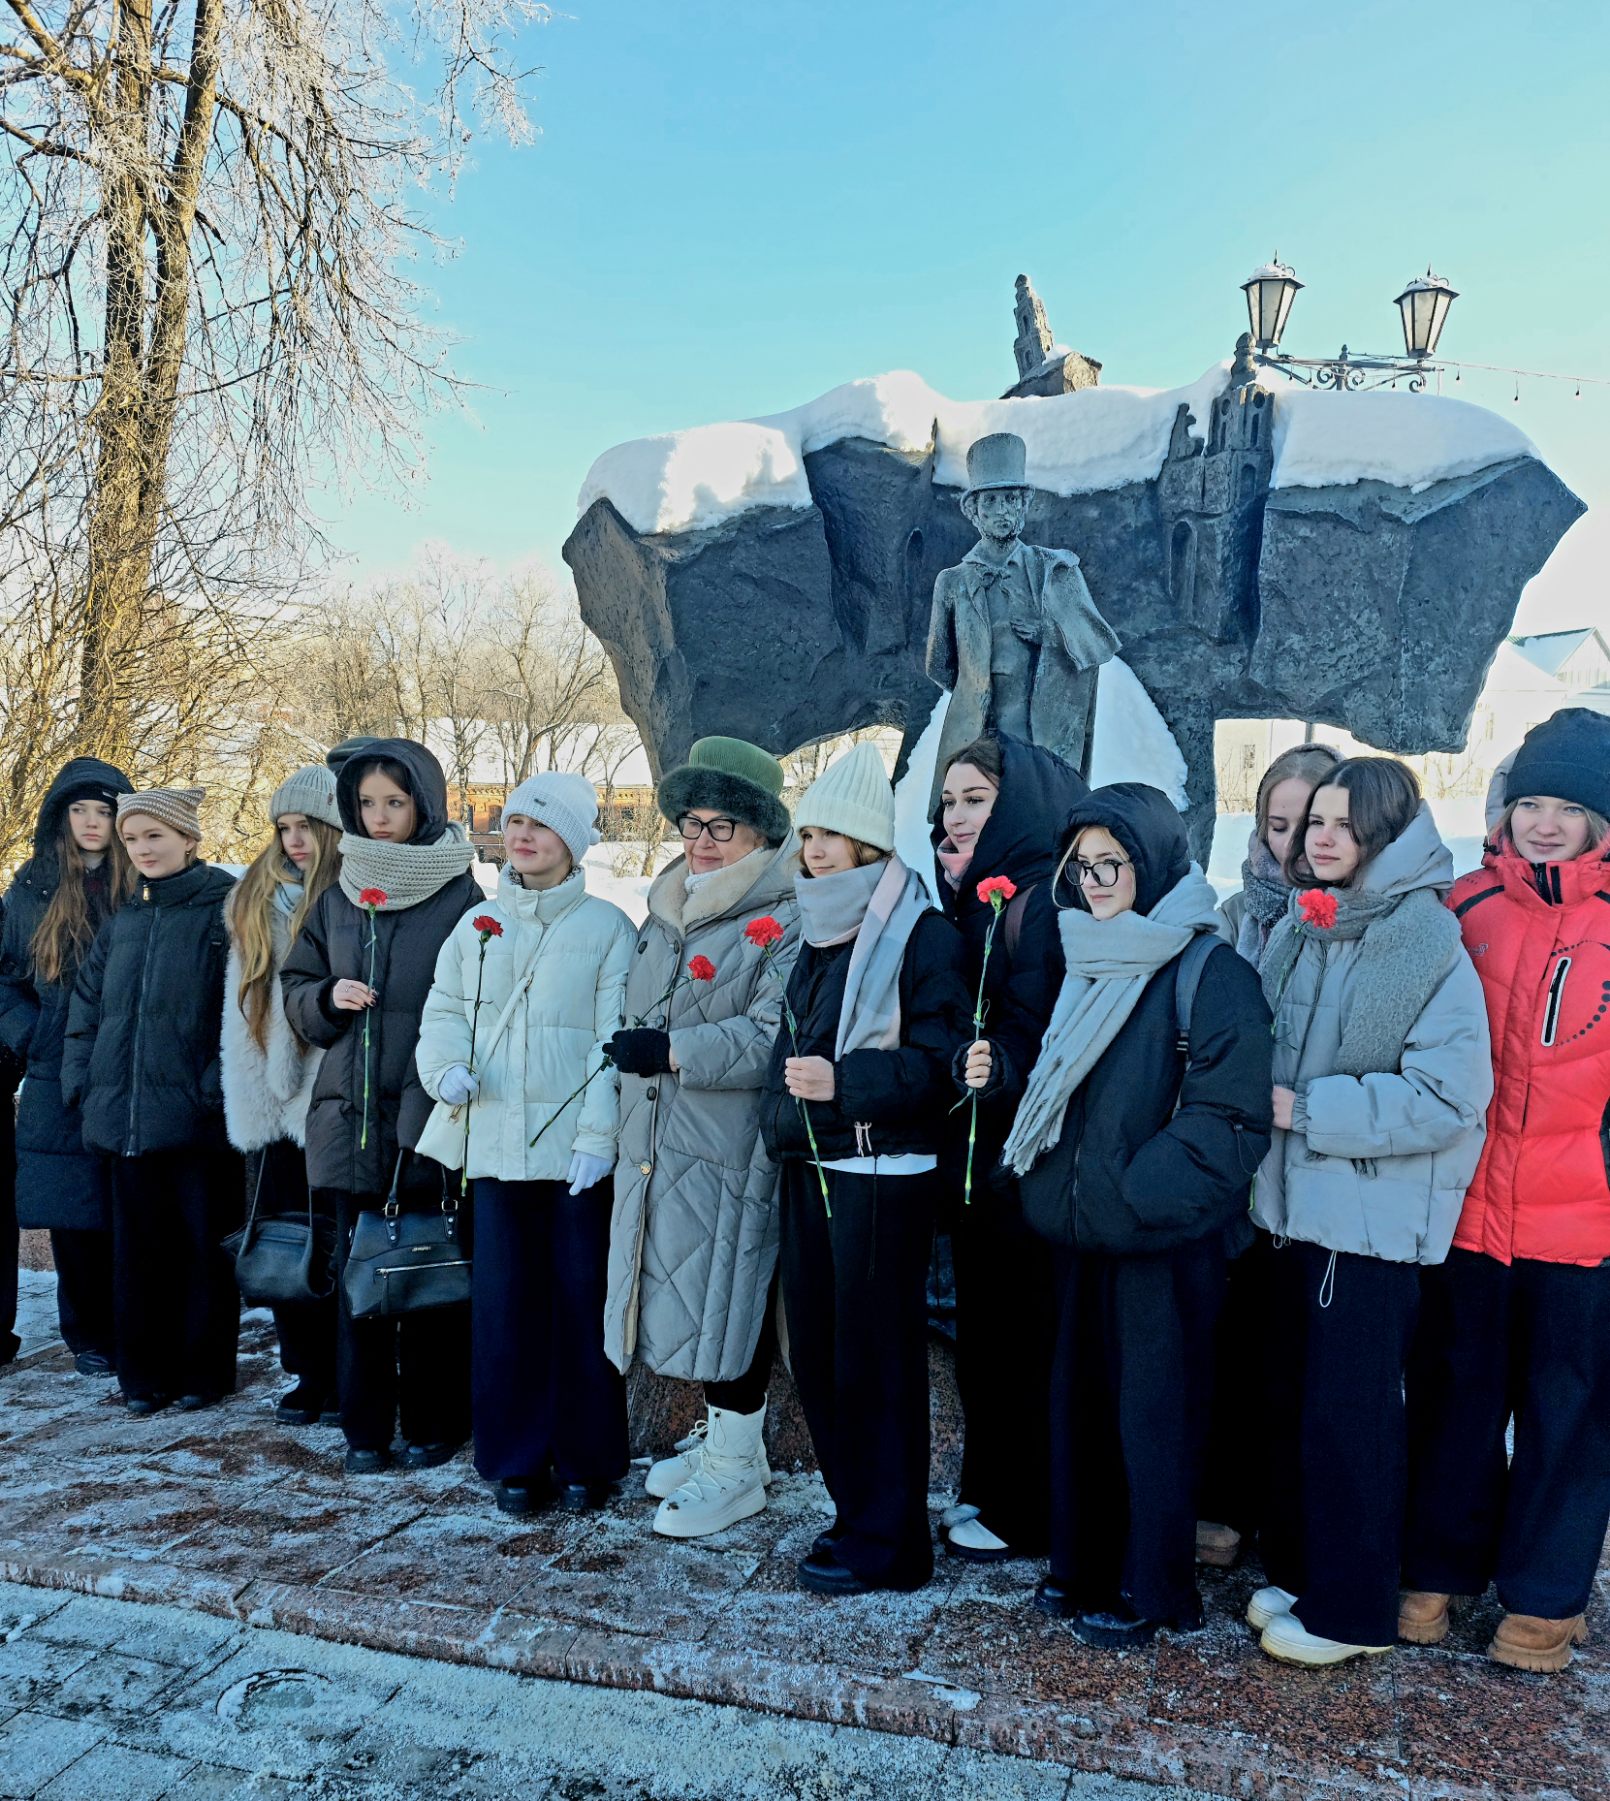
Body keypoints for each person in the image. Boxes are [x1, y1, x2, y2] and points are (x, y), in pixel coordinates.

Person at [975, 783, 1272, 1647]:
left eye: (1114, 863)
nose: (1096, 881)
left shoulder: (1209, 970)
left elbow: (1231, 1116)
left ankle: (1153, 1583)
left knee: (1154, 1419)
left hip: (1155, 1237)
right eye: (1083, 866)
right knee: (1081, 1408)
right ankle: (1083, 1563)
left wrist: (1138, 1193)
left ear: (1154, 863)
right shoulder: (1088, 953)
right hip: (1081, 1229)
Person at [1249, 757, 1491, 1668]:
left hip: (1369, 1223)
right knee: (1300, 1407)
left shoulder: (1425, 941)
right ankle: (1309, 1574)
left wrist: (1308, 1109)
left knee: (1353, 1420)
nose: (1321, 837)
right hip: (1295, 1212)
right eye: (1315, 819)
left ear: (1385, 833)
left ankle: (1352, 1613)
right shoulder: (1308, 925)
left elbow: (1449, 1095)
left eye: (1344, 823)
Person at [1400, 709, 1610, 1673]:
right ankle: (1436, 1569)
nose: (1545, 824)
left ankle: (1544, 1597)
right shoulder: (1466, 905)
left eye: (1568, 808)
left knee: (1570, 1412)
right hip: (1469, 1212)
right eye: (1531, 803)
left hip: (1586, 1225)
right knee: (1456, 1396)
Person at [761, 742, 972, 1594]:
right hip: (813, 1161)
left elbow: (942, 1063)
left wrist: (847, 1084)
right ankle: (857, 1514)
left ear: (869, 843)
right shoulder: (815, 929)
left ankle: (892, 1541)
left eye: (830, 835)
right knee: (817, 1352)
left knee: (875, 1361)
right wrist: (786, 1120)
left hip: (884, 1173)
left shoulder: (922, 934)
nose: (814, 850)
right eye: (808, 834)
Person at [417, 773, 636, 1517]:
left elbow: (613, 1043)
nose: (522, 835)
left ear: (571, 841)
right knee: (504, 1308)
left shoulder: (608, 928)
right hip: (495, 1149)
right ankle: (513, 1458)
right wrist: (444, 1068)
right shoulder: (478, 925)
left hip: (573, 1155)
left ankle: (586, 1458)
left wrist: (598, 1136)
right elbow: (444, 1010)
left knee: (580, 1304)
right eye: (514, 822)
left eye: (540, 825)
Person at [603, 736, 802, 1540]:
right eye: (692, 822)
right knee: (690, 1299)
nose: (703, 840)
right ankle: (729, 1442)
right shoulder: (667, 907)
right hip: (660, 1139)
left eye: (723, 825)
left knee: (729, 1298)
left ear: (761, 831)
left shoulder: (783, 917)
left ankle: (735, 1468)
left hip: (730, 1144)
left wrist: (676, 1049)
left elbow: (774, 1035)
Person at [281, 740, 481, 1474]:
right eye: (366, 803)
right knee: (356, 1278)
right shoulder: (339, 891)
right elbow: (296, 985)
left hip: (427, 1114)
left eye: (395, 802)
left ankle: (434, 1419)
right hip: (347, 1114)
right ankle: (364, 1426)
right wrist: (326, 997)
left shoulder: (461, 893)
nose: (380, 816)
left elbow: (482, 999)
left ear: (423, 803)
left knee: (428, 1270)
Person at [930, 732, 1087, 1562]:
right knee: (988, 1330)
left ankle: (1027, 1507)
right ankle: (992, 1486)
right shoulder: (975, 896)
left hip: (1024, 1156)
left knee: (1024, 1333)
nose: (956, 816)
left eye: (976, 799)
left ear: (1018, 804)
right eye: (949, 801)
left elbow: (1045, 1021)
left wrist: (1002, 1065)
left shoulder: (1043, 900)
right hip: (979, 1154)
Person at [1197, 741, 1343, 1570]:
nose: (1293, 845)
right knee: (1229, 1340)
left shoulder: (1359, 918)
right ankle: (1224, 1500)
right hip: (1237, 1165)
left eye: (1311, 822)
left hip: (1318, 1163)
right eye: (1277, 824)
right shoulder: (1234, 915)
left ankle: (1290, 1522)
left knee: (1302, 1359)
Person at [61, 786, 240, 1412]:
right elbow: (87, 1010)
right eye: (132, 839)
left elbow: (243, 1009)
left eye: (155, 836)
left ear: (189, 839)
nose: (142, 849)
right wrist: (83, 1085)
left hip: (196, 1122)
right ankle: (142, 1376)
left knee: (200, 1251)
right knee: (136, 1252)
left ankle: (202, 1375)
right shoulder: (125, 921)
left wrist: (212, 1088)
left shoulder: (224, 911)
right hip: (123, 1119)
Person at [0, 759, 135, 1375]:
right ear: (61, 817)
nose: (91, 822)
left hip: (129, 1060)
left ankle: (135, 1325)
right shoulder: (31, 889)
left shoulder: (140, 883)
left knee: (129, 1202)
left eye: (104, 810)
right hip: (56, 1066)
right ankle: (88, 1335)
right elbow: (6, 979)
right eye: (79, 810)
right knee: (72, 1208)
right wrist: (34, 1034)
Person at [221, 765, 345, 1426]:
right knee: (285, 1239)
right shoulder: (252, 898)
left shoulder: (347, 896)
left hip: (329, 1089)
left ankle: (348, 1370)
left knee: (338, 1237)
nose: (294, 840)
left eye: (308, 826)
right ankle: (306, 1371)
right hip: (267, 1089)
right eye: (284, 827)